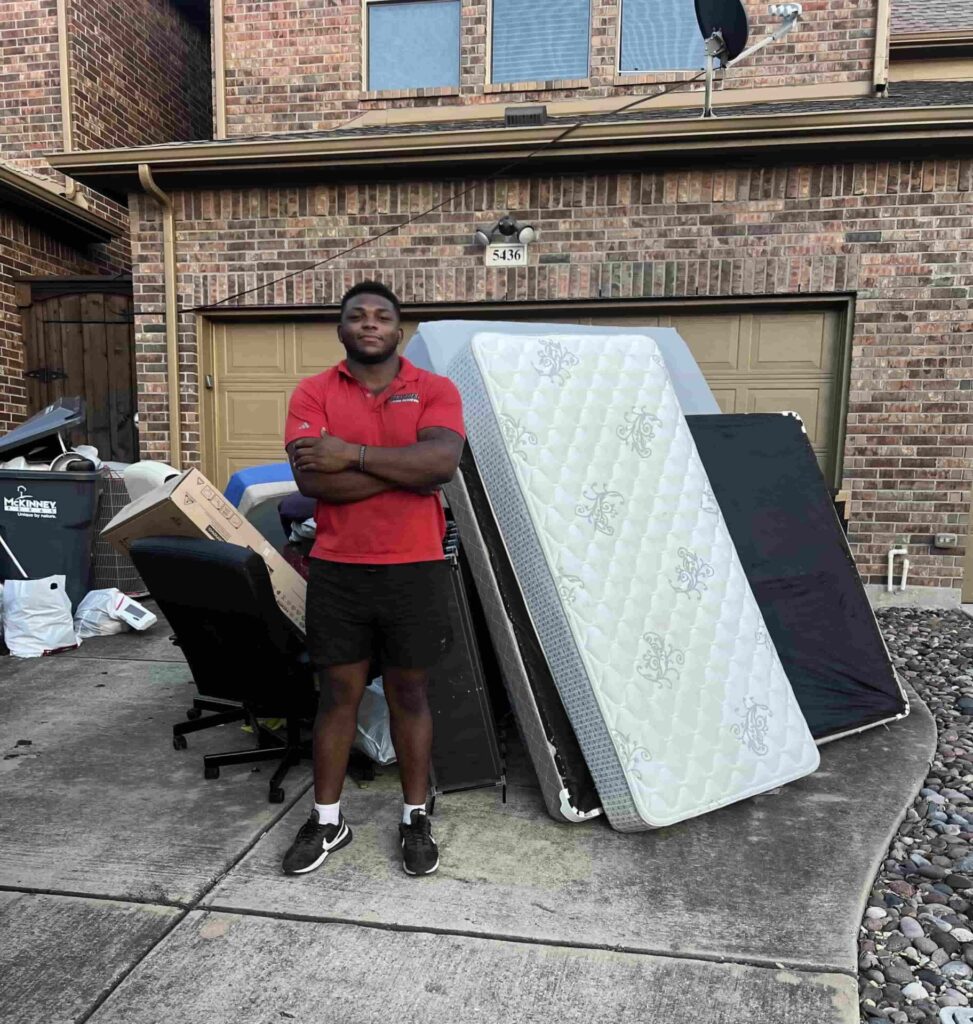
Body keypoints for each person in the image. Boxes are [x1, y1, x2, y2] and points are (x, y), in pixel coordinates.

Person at [280, 281, 465, 877]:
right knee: (338, 697)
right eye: (356, 316)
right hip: (339, 571)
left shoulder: (434, 389)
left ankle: (415, 816)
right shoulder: (312, 392)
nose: (368, 323)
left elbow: (442, 464)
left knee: (411, 694)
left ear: (398, 331)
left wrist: (352, 456)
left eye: (381, 316)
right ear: (340, 330)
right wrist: (406, 471)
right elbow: (313, 483)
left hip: (415, 569)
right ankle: (329, 820)